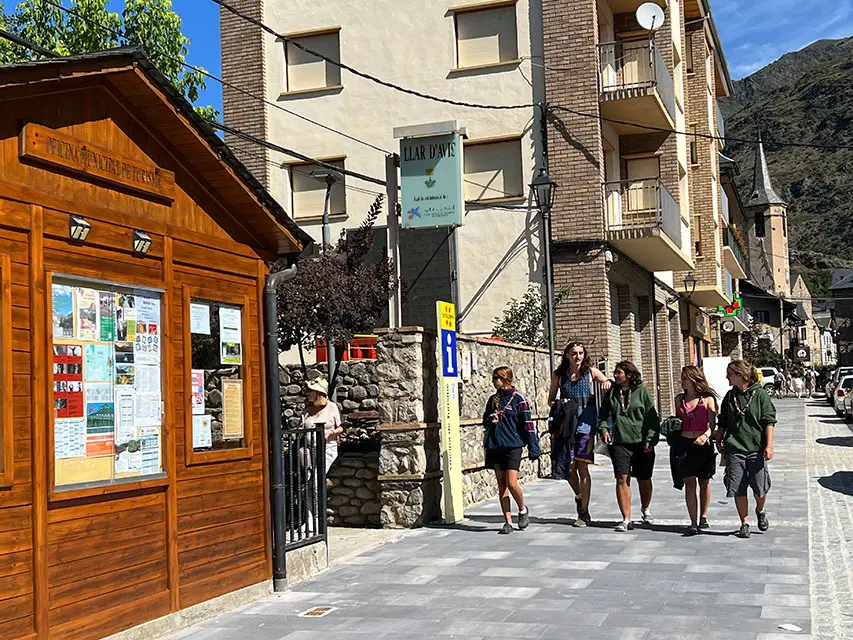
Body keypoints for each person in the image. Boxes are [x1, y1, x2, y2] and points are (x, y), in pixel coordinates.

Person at [547, 342, 611, 527]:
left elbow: (606, 381)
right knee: (568, 467)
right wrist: (561, 408)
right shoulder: (559, 376)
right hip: (567, 426)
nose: (578, 356)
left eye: (581, 353)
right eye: (574, 353)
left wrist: (606, 382)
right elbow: (551, 399)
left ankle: (583, 512)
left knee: (582, 467)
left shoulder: (590, 372)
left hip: (585, 425)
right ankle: (579, 495)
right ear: (566, 354)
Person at [715, 360, 776, 539]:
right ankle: (745, 522)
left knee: (759, 487)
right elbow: (723, 422)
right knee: (738, 487)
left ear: (740, 375)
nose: (727, 377)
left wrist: (769, 445)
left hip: (756, 449)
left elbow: (769, 422)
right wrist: (719, 439)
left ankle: (761, 510)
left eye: (730, 374)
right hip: (735, 449)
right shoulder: (729, 396)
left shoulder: (760, 395)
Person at [598, 361, 660, 532]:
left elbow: (651, 417)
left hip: (641, 443)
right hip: (619, 442)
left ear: (629, 375)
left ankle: (645, 509)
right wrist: (603, 429)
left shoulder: (642, 392)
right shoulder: (611, 393)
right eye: (615, 372)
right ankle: (626, 518)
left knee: (644, 479)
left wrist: (650, 439)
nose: (615, 375)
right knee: (622, 478)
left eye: (619, 372)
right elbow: (603, 414)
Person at [483, 366, 540, 534]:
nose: (493, 381)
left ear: (505, 378)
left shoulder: (519, 399)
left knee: (511, 482)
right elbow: (484, 421)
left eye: (496, 378)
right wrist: (490, 419)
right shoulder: (493, 399)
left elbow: (528, 425)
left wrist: (533, 447)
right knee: (501, 485)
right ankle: (507, 521)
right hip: (496, 445)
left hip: (513, 445)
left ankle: (522, 509)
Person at [674, 366, 718, 536]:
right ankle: (693, 522)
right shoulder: (679, 399)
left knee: (704, 481)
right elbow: (677, 420)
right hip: (684, 443)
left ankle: (703, 516)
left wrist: (706, 436)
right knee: (689, 482)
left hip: (703, 444)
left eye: (685, 378)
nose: (682, 381)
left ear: (693, 379)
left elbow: (712, 424)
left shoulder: (707, 399)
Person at [302, 377, 343, 475]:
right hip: (309, 451)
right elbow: (301, 426)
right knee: (308, 477)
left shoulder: (332, 407)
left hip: (327, 449)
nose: (308, 393)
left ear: (318, 393)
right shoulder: (307, 409)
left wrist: (331, 432)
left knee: (317, 477)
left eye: (310, 391)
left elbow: (342, 426)